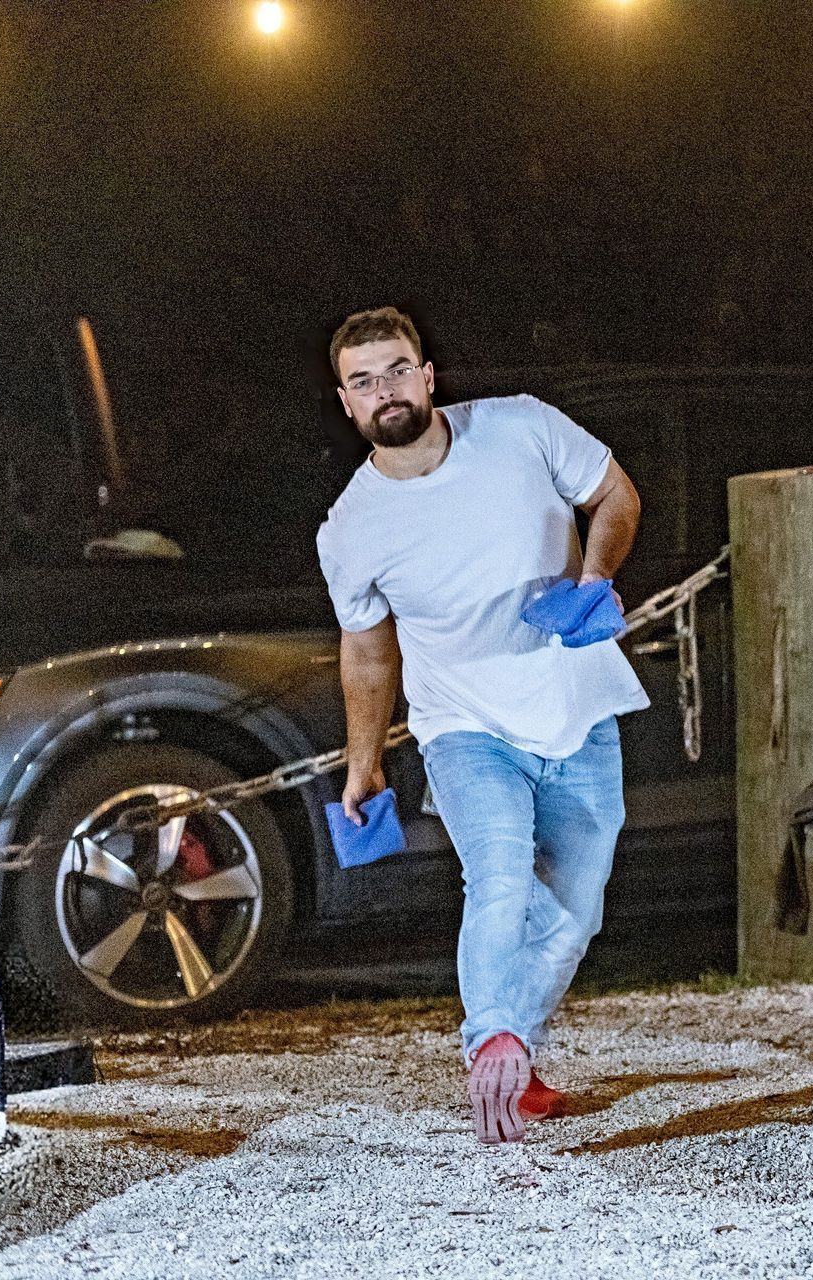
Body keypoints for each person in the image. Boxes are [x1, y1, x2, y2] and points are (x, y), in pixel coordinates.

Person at [315, 306, 648, 1145]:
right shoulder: (350, 528)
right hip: (462, 725)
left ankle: (513, 1044)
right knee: (498, 876)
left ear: (428, 376)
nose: (385, 390)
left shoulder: (520, 427)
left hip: (576, 705)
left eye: (398, 370)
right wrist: (363, 763)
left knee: (575, 909)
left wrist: (595, 576)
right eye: (364, 381)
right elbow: (368, 654)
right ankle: (494, 1041)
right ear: (346, 402)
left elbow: (615, 494)